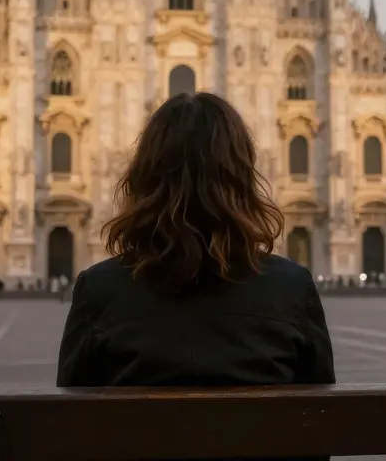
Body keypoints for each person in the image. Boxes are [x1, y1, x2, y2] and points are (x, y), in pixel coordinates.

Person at [57, 92, 335, 398]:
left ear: (143, 177)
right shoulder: (292, 289)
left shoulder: (98, 291)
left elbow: (72, 426)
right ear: (242, 177)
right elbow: (317, 417)